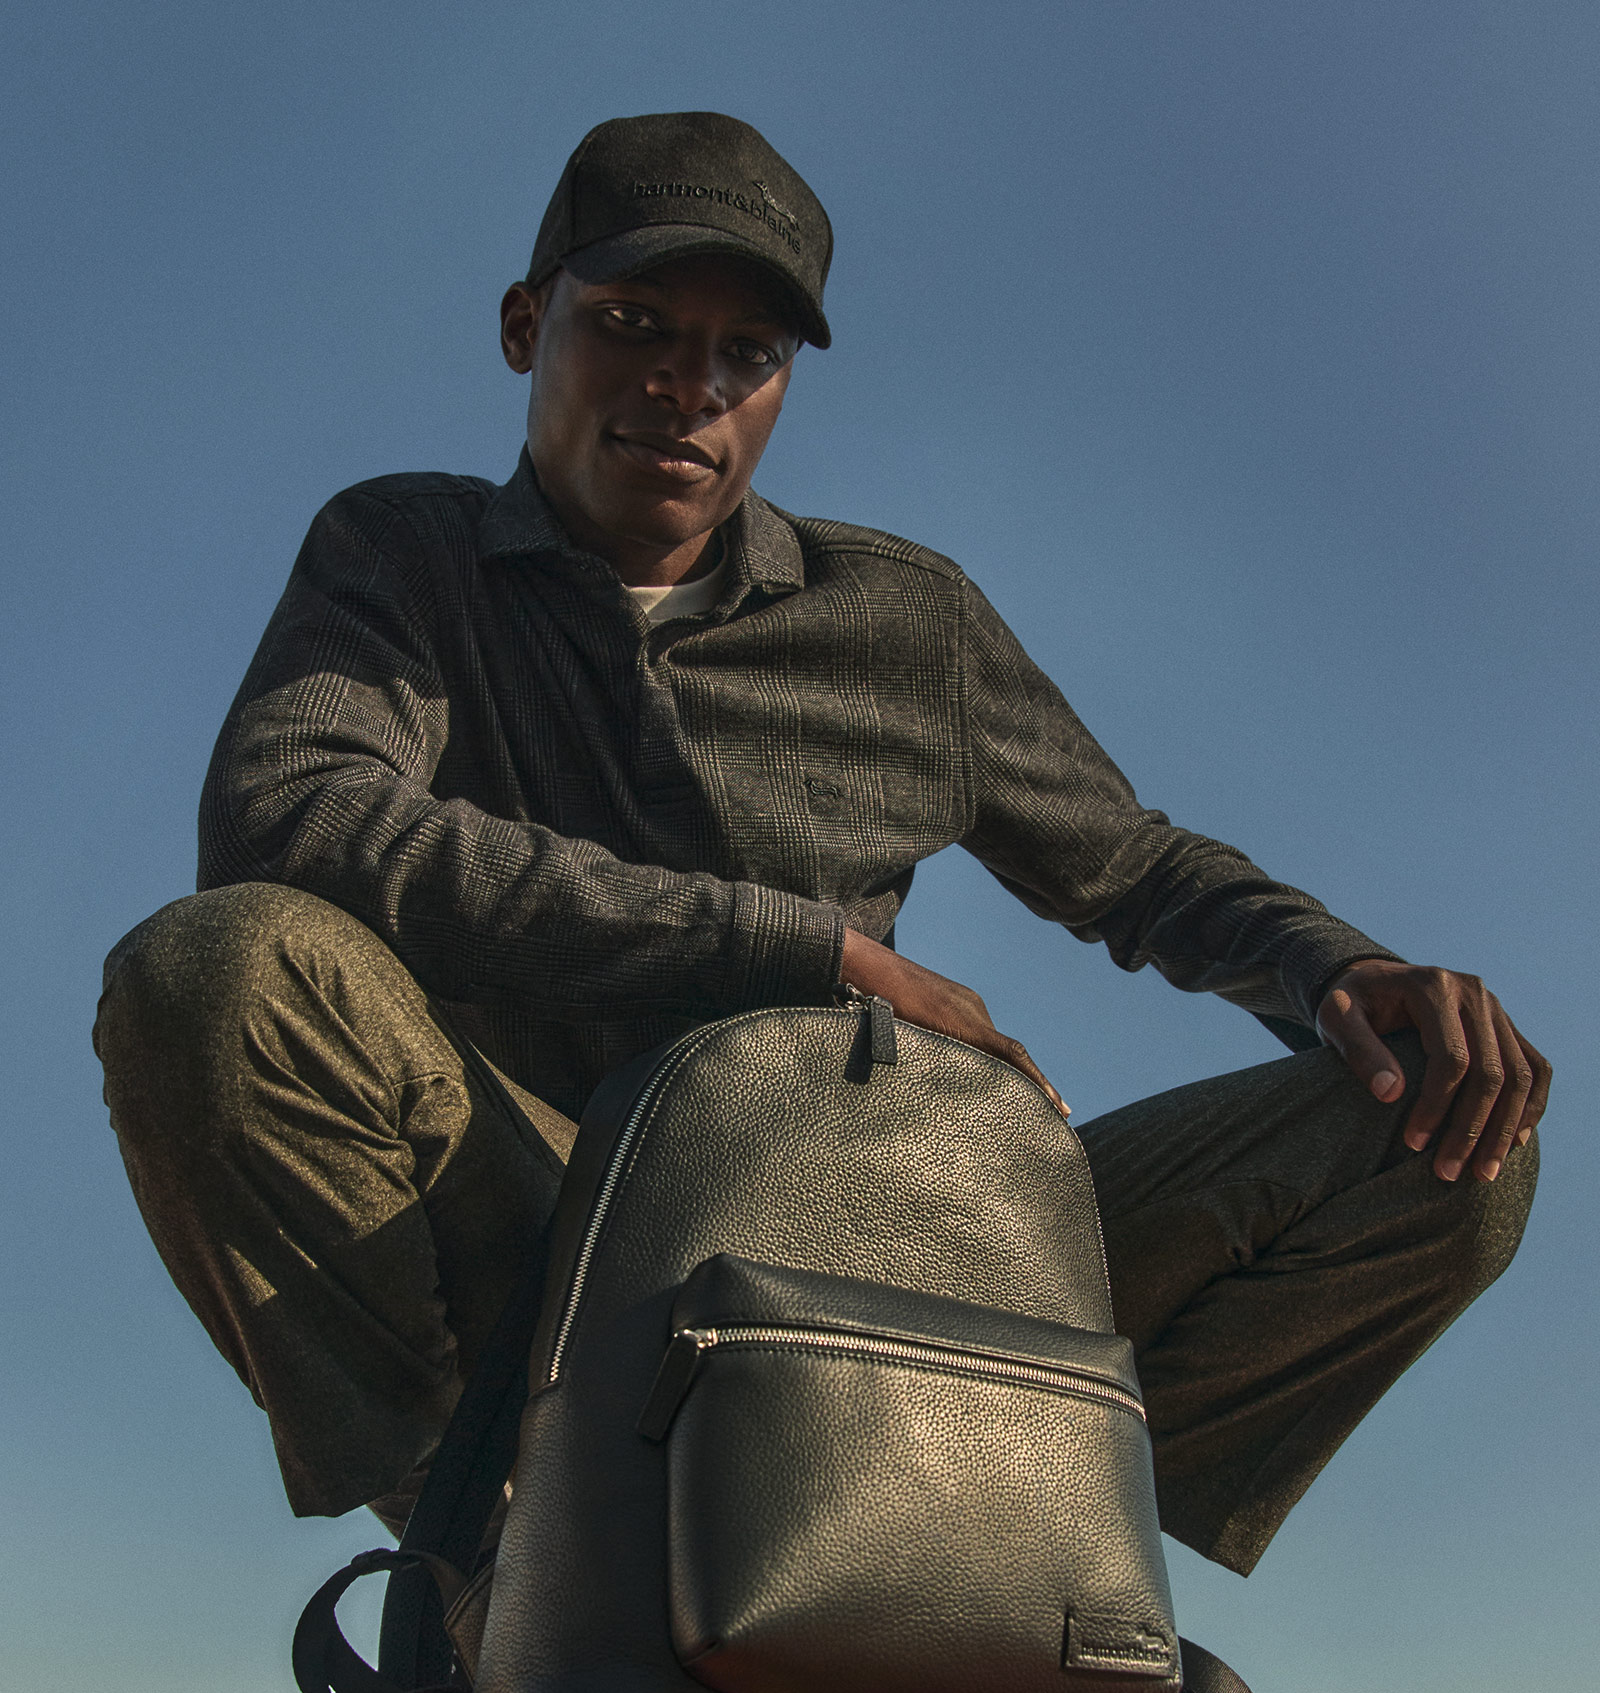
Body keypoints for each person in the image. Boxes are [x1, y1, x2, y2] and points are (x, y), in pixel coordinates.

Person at [95, 111, 1546, 1575]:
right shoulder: (407, 554)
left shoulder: (905, 620)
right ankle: (489, 1570)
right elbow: (293, 812)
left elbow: (1137, 868)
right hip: (543, 1242)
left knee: (1446, 1131)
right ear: (527, 325)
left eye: (746, 355)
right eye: (633, 322)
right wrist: (797, 948)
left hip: (877, 1259)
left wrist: (1332, 967)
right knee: (212, 974)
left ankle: (1003, 1561)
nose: (687, 385)